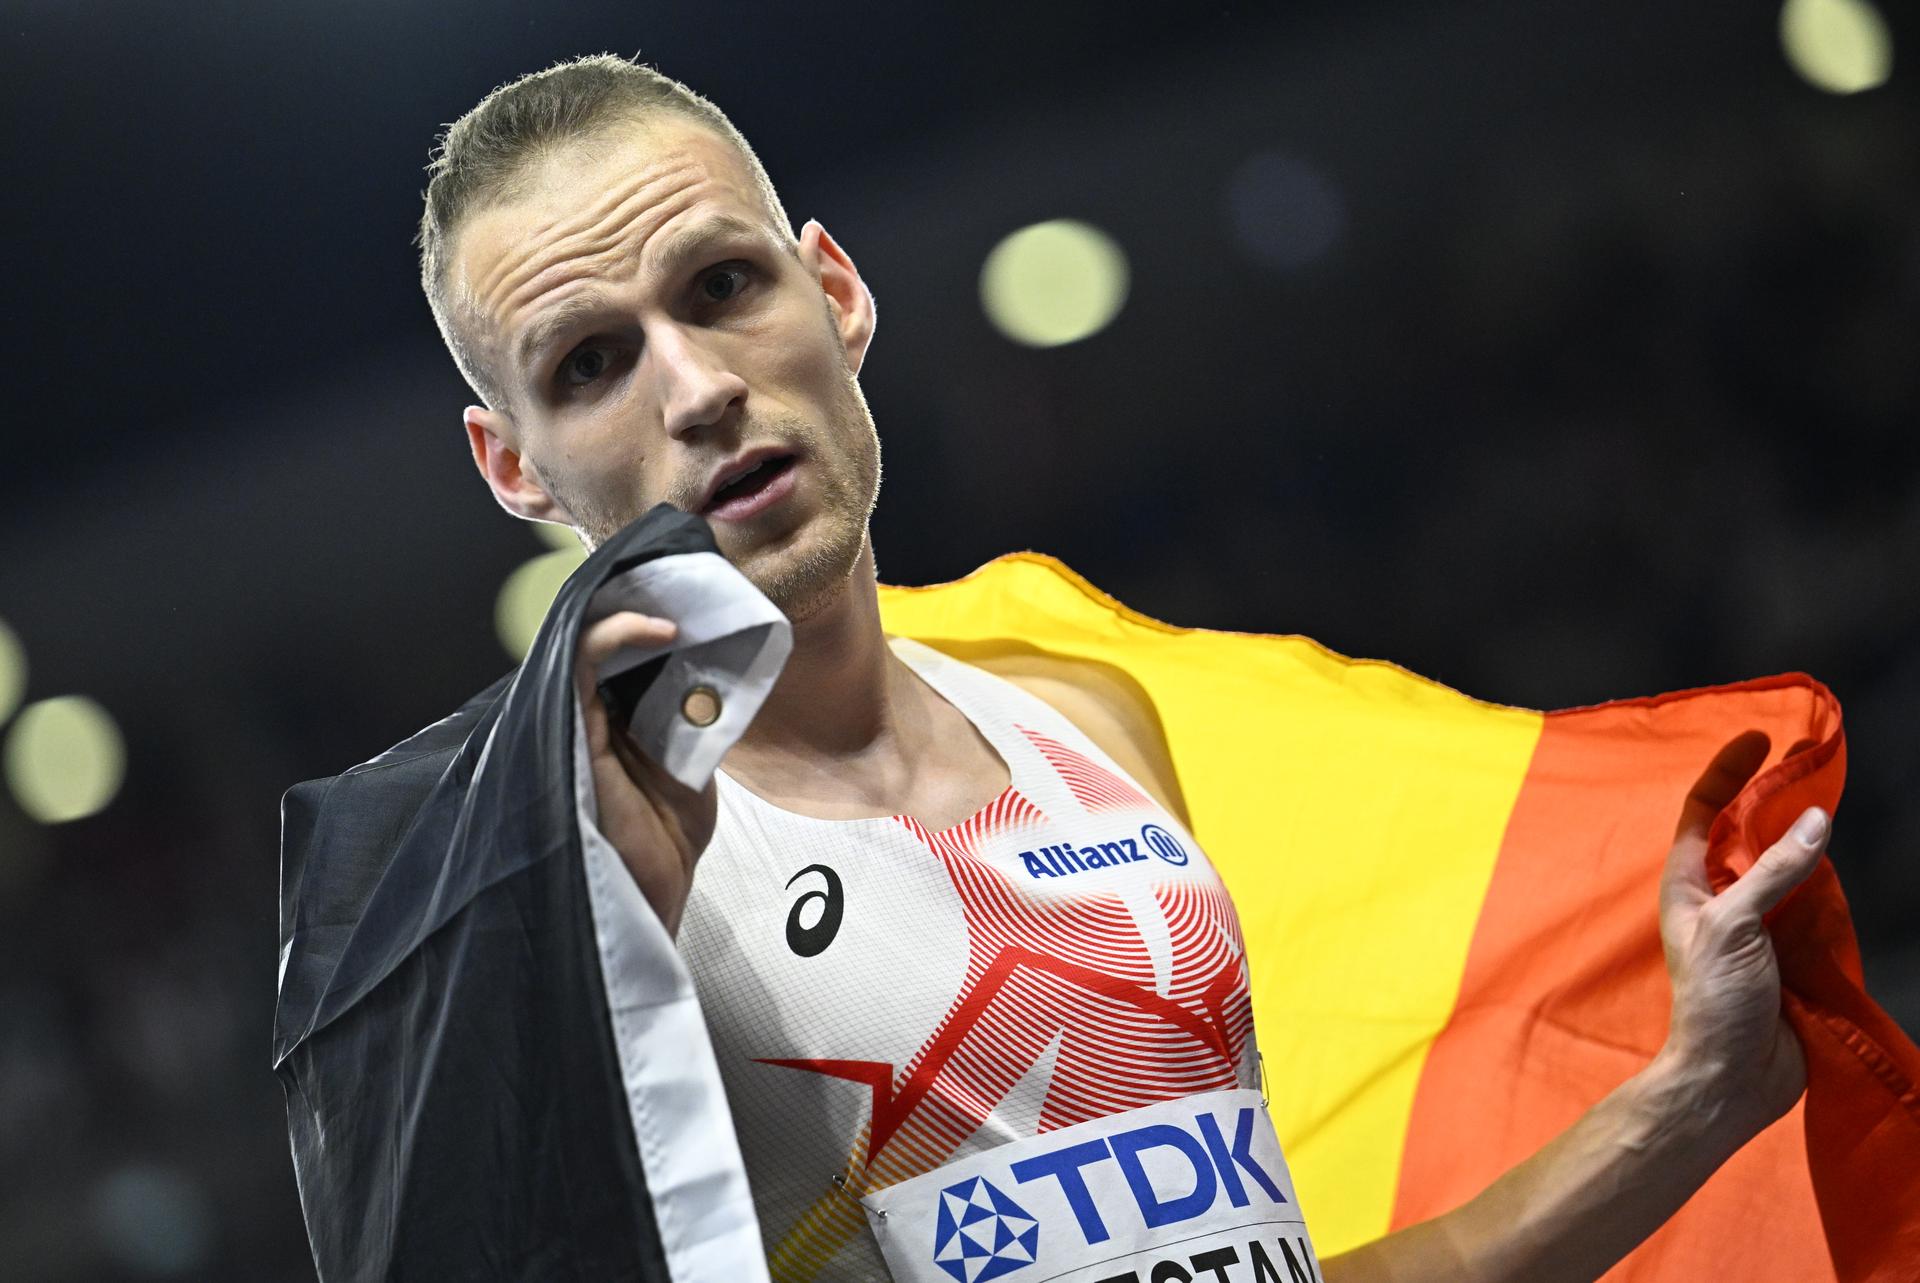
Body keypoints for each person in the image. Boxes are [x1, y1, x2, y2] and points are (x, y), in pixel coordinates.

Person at [372, 52, 1831, 1281]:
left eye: (724, 284)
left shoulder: (1087, 714)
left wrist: (1686, 1100)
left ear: (837, 292)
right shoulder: (566, 875)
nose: (695, 389)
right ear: (514, 468)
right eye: (589, 365)